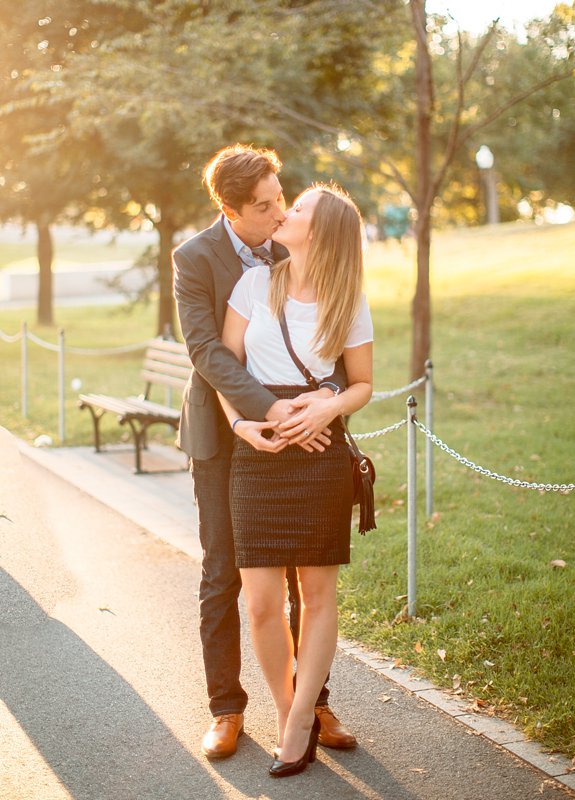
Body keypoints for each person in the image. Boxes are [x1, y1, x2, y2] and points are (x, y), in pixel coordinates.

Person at [172, 144, 356, 761]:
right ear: (229, 208)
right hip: (223, 437)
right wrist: (263, 410)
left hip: (299, 436)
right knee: (226, 572)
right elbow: (207, 350)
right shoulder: (194, 257)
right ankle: (227, 708)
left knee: (306, 571)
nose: (279, 213)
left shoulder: (292, 242)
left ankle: (311, 702)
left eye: (282, 198)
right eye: (265, 206)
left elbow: (325, 338)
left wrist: (323, 401)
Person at [217, 183, 373, 777]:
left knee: (315, 594)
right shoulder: (254, 283)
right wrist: (242, 426)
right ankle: (291, 713)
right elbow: (226, 368)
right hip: (259, 446)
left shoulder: (348, 298)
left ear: (323, 231)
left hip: (319, 452)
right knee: (259, 602)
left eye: (298, 208)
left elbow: (360, 382)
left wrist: (327, 409)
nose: (285, 212)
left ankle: (303, 716)